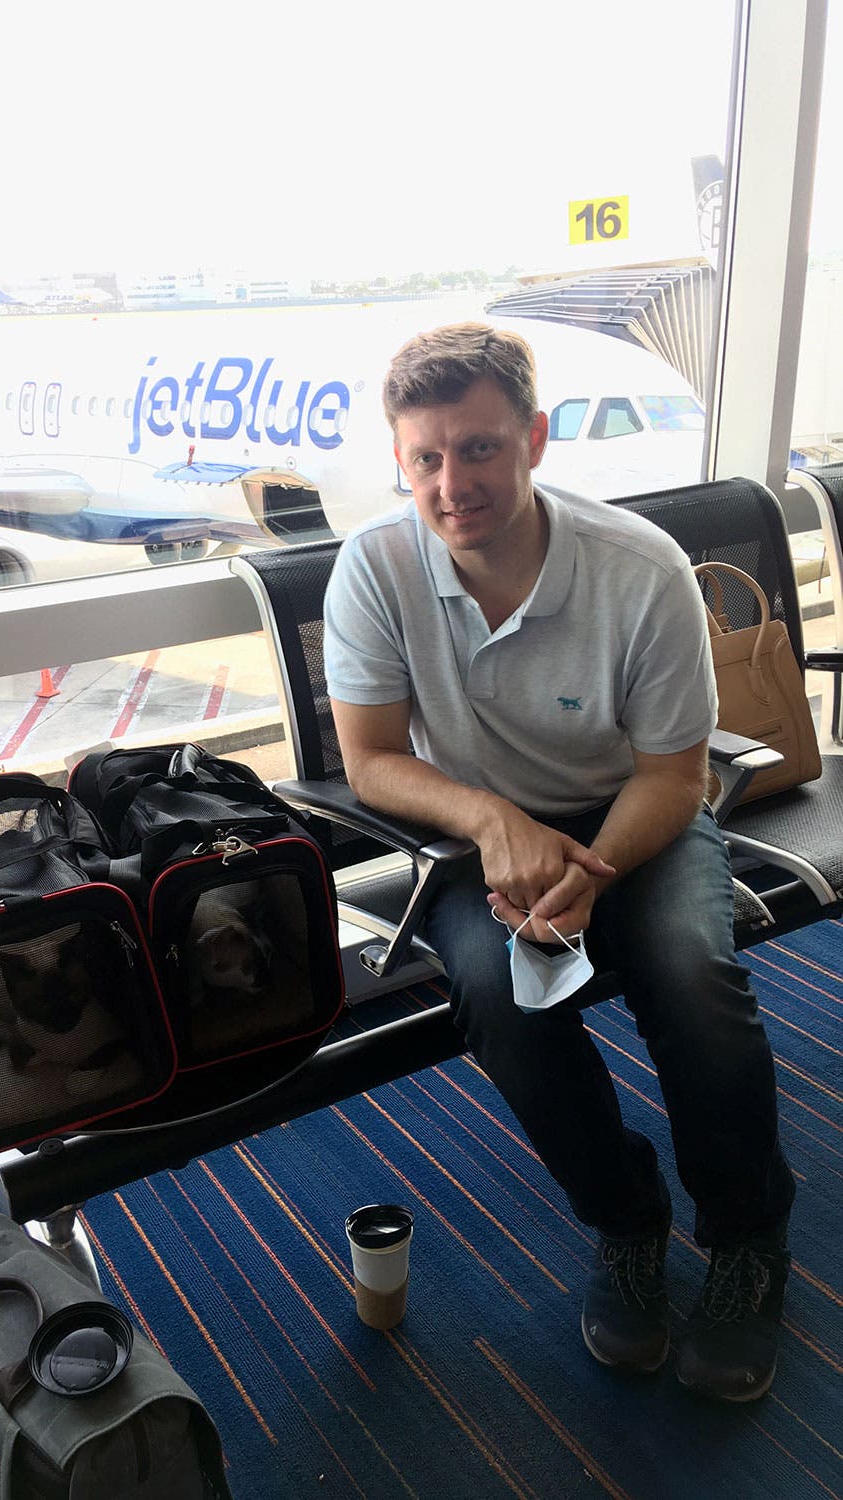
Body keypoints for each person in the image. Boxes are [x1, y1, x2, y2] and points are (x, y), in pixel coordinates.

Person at [323, 321, 794, 1402]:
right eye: (427, 459)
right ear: (401, 462)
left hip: (633, 812)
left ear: (534, 438)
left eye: (481, 449)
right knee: (498, 992)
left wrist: (591, 873)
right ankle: (626, 1219)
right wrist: (493, 824)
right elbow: (372, 760)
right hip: (473, 830)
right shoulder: (377, 568)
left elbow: (675, 777)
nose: (455, 484)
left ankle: (747, 1231)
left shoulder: (639, 570)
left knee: (689, 969)